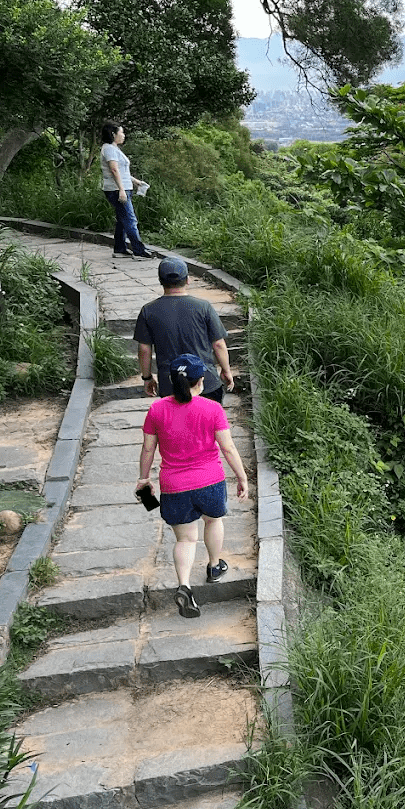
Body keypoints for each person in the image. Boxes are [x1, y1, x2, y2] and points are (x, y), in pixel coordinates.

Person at [137, 354, 249, 619]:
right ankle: (213, 566)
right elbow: (228, 448)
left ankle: (185, 586)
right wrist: (242, 477)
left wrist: (143, 479)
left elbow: (148, 448)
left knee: (186, 539)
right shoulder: (212, 409)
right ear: (200, 382)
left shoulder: (157, 410)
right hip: (209, 480)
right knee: (212, 521)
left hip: (174, 485)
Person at [135, 257, 234, 402]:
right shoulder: (203, 307)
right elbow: (218, 344)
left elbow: (144, 349)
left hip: (171, 384)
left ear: (161, 281)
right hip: (205, 382)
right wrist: (226, 371)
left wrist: (147, 377)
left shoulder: (148, 311)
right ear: (187, 280)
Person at [99, 121, 151, 259]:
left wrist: (137, 182)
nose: (123, 135)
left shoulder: (114, 149)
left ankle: (120, 249)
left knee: (122, 220)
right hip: (116, 190)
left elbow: (122, 171)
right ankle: (139, 251)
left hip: (122, 188)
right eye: (121, 132)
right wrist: (121, 190)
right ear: (113, 134)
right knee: (130, 219)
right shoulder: (109, 149)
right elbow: (114, 170)